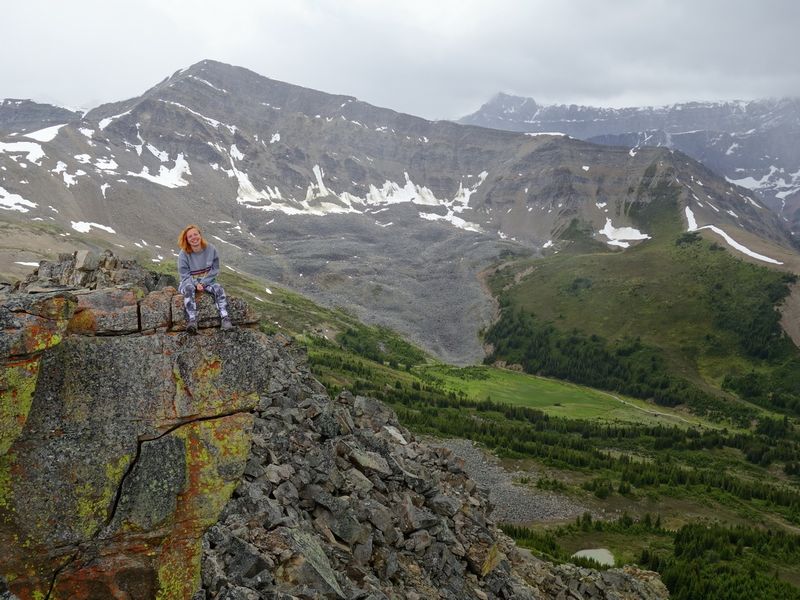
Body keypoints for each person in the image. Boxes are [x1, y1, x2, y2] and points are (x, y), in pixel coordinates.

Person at [177, 224, 232, 333]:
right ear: (187, 240)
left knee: (218, 288)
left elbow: (215, 269)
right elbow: (184, 275)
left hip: (207, 281)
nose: (194, 238)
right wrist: (195, 284)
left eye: (195, 234)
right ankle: (192, 320)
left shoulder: (211, 249)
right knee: (188, 289)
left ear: (200, 235)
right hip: (188, 282)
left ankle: (225, 319)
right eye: (190, 237)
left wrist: (203, 283)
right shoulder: (183, 254)